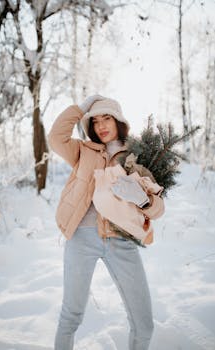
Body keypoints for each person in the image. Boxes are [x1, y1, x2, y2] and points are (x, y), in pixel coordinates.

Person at [48, 95, 165, 350]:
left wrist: (143, 201)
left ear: (118, 121)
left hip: (122, 240)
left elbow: (158, 209)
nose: (101, 125)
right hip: (82, 237)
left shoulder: (137, 156)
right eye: (95, 120)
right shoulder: (83, 151)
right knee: (71, 315)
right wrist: (80, 108)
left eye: (107, 118)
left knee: (144, 323)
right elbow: (56, 138)